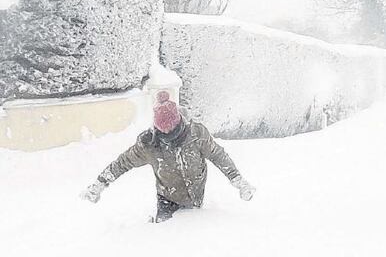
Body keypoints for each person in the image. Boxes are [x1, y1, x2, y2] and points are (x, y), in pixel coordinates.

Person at [80, 91, 255, 222]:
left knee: (196, 233)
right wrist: (99, 184)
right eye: (164, 134)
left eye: (174, 132)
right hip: (167, 198)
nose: (169, 138)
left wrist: (238, 181)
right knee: (165, 236)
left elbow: (218, 156)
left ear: (180, 122)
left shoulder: (196, 134)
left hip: (195, 195)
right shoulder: (149, 145)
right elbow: (122, 163)